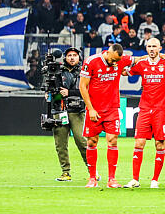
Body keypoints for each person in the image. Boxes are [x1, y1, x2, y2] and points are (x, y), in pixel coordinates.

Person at [124, 38, 165, 189]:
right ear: (146, 49)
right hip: (145, 109)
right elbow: (125, 72)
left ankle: (155, 180)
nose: (152, 49)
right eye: (149, 46)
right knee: (139, 143)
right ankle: (135, 179)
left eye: (154, 46)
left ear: (160, 48)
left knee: (159, 144)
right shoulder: (142, 64)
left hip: (160, 109)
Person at [78, 43, 130, 188]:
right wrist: (91, 109)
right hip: (94, 109)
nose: (114, 63)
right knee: (91, 142)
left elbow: (137, 60)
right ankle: (92, 178)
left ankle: (112, 179)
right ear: (107, 52)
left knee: (112, 141)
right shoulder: (91, 62)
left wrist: (158, 55)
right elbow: (82, 86)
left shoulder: (120, 60)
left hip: (112, 108)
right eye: (112, 60)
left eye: (116, 61)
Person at [52, 48, 88, 182]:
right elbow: (54, 91)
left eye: (74, 55)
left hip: (77, 110)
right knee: (60, 144)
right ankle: (65, 172)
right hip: (60, 110)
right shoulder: (57, 72)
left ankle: (92, 170)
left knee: (82, 141)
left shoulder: (84, 72)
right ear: (65, 58)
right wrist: (52, 96)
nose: (72, 58)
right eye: (69, 55)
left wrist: (70, 93)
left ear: (79, 57)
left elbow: (88, 91)